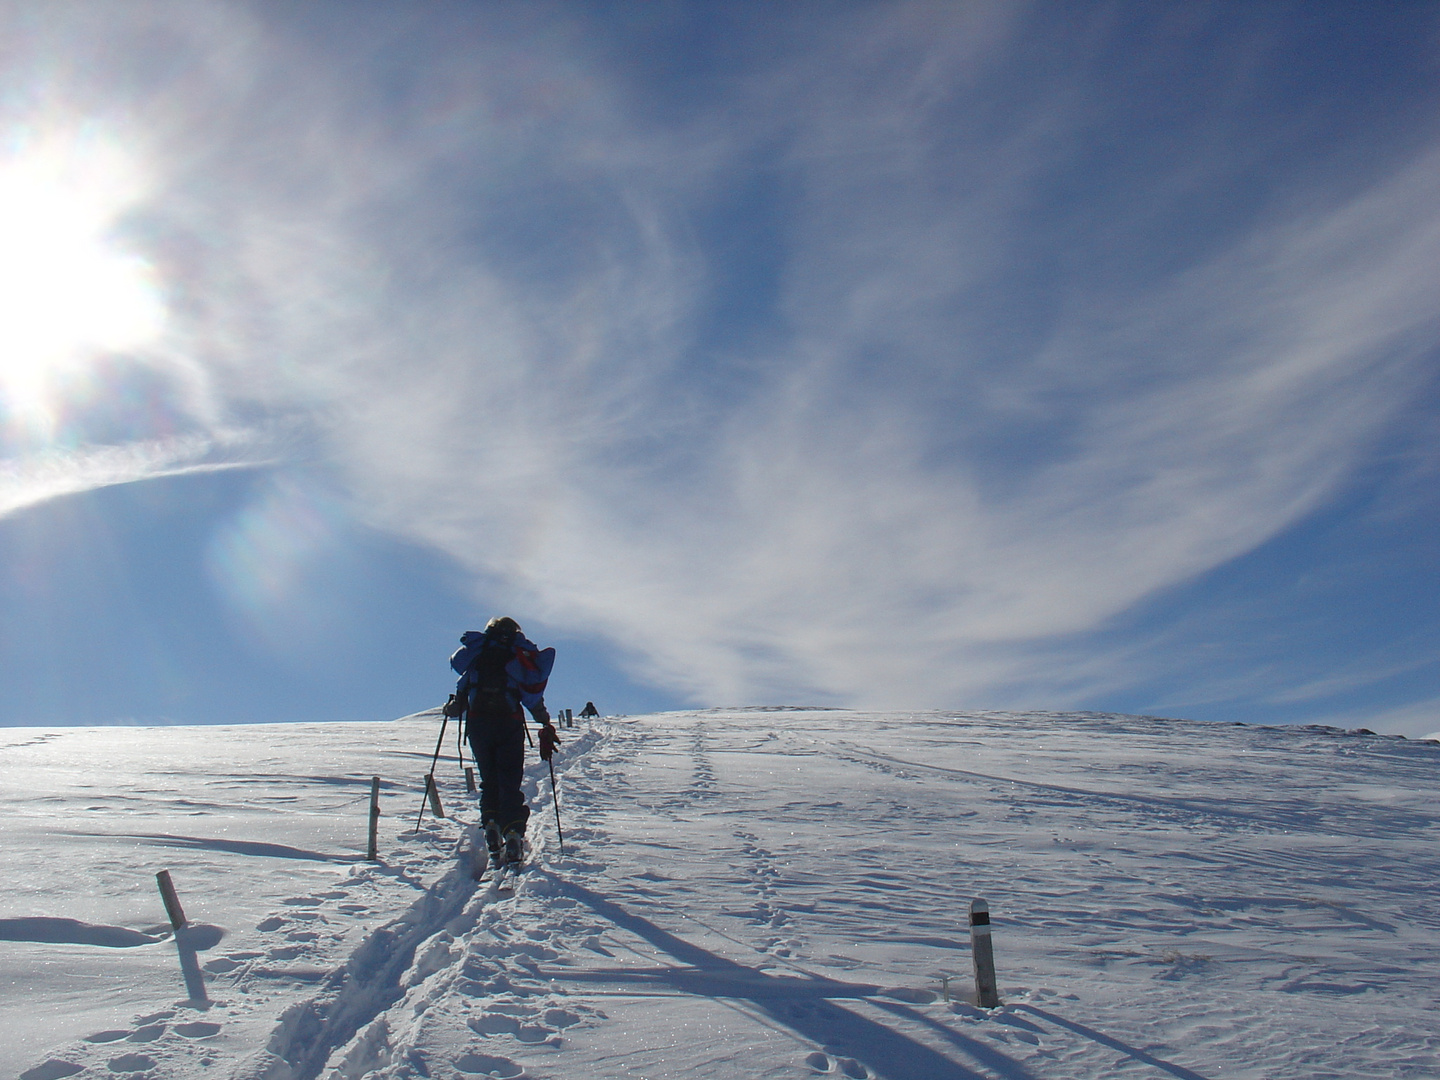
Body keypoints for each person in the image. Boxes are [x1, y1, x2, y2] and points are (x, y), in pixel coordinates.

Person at [445, 617, 558, 866]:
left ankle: (492, 825)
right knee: (509, 781)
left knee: (490, 781)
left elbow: (461, 696)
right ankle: (513, 832)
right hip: (509, 724)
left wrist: (451, 707)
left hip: (478, 725)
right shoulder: (517, 656)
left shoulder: (478, 655)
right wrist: (544, 720)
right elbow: (530, 695)